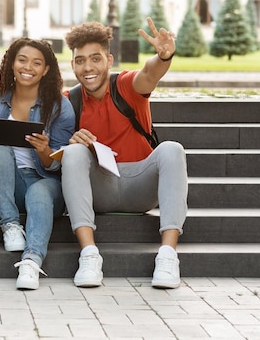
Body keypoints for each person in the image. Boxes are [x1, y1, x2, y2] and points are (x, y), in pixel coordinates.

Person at [61, 17, 188, 289]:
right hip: (101, 189)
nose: (88, 67)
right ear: (72, 65)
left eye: (95, 59)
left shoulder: (127, 85)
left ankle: (167, 257)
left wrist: (164, 56)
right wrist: (73, 141)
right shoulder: (68, 100)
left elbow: (149, 73)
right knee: (72, 153)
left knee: (171, 149)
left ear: (109, 59)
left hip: (141, 185)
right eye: (80, 61)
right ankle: (89, 255)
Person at [0, 38, 75, 290]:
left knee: (39, 190)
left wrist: (45, 150)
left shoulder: (59, 106)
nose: (28, 67)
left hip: (45, 182)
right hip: (9, 184)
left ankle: (32, 261)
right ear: (12, 63)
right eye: (22, 60)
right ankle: (10, 224)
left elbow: (59, 164)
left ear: (46, 70)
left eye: (37, 63)